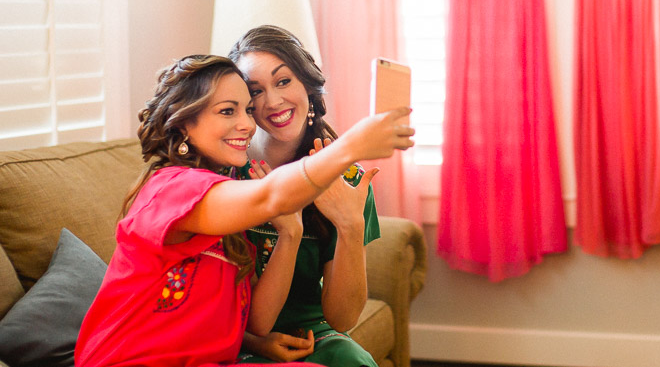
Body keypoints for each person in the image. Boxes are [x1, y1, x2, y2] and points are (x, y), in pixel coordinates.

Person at [74, 55, 414, 367]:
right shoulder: (174, 189)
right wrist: (350, 145)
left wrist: (293, 232)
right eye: (227, 111)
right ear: (183, 126)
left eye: (247, 111)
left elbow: (251, 318)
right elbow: (271, 197)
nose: (247, 125)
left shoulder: (228, 201)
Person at [227, 25, 385, 367]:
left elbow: (343, 320)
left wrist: (350, 226)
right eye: (255, 91)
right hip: (232, 336)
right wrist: (257, 342)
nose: (272, 101)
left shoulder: (349, 180)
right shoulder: (226, 175)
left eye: (283, 81)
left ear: (307, 84)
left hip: (312, 335)